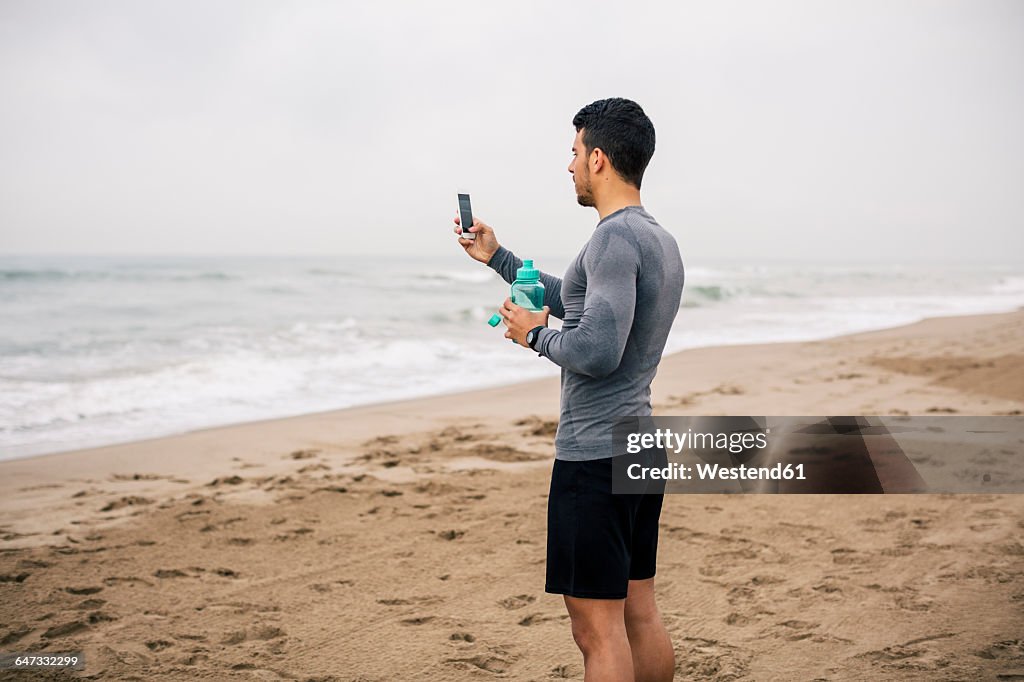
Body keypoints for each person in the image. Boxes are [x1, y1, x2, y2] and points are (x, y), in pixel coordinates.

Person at [453, 97, 684, 682]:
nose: (570, 166)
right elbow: (586, 301)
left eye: (575, 153)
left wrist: (535, 336)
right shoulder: (658, 240)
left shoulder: (611, 239)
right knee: (640, 615)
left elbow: (597, 350)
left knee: (596, 632)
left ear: (599, 159)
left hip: (594, 454)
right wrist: (500, 259)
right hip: (637, 446)